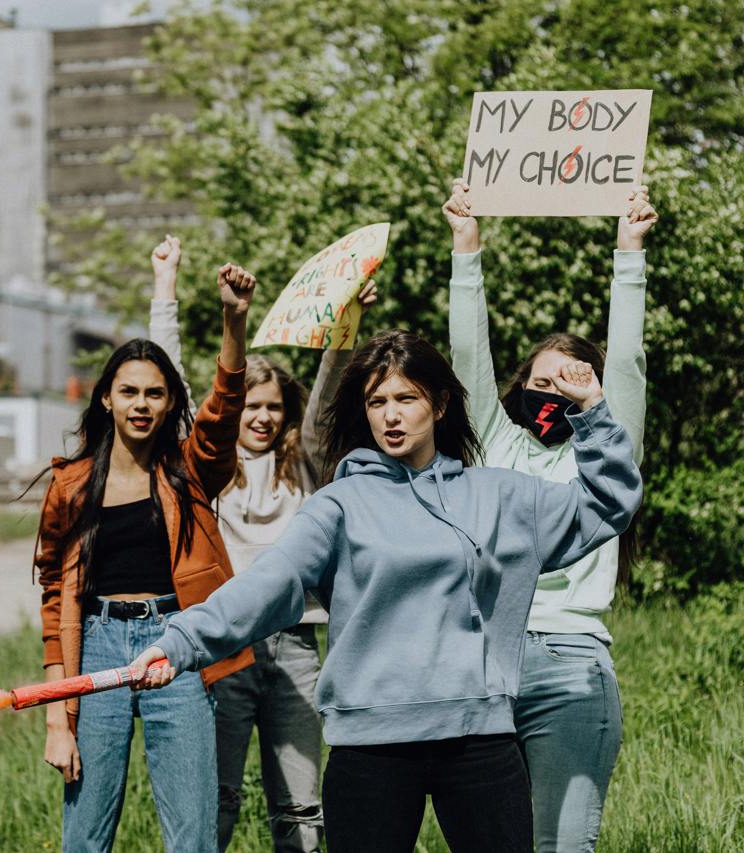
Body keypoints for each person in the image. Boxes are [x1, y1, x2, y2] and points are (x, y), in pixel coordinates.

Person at [129, 328, 643, 853]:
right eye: (377, 402)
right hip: (371, 747)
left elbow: (609, 502)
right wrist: (182, 641)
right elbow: (268, 583)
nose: (391, 416)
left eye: (406, 399)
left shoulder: (498, 496)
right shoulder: (339, 505)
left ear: (439, 404)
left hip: (479, 739)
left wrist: (592, 411)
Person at [443, 180, 656, 853]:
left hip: (572, 666)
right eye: (542, 381)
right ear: (520, 388)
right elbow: (468, 357)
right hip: (485, 665)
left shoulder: (607, 452)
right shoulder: (493, 442)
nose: (553, 392)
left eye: (572, 381)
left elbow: (628, 363)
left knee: (560, 845)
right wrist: (466, 247)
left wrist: (629, 252)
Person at [148, 234, 376, 853]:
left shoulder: (305, 463)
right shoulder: (206, 467)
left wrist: (347, 320)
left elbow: (330, 389)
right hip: (225, 644)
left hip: (296, 646)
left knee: (301, 805)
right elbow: (172, 380)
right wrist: (166, 283)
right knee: (218, 797)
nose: (262, 417)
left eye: (273, 407)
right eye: (251, 404)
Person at [36, 262, 259, 853]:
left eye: (155, 393)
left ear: (169, 402)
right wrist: (58, 717)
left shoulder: (189, 470)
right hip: (97, 647)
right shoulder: (71, 485)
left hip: (176, 644)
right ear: (106, 398)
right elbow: (54, 601)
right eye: (129, 392)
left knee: (192, 837)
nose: (141, 404)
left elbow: (223, 412)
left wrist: (234, 320)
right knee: (85, 837)